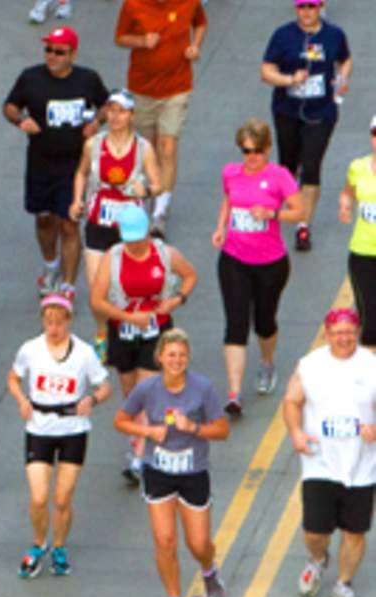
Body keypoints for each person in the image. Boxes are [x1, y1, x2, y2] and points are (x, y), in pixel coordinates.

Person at [114, 328, 229, 597]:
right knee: (165, 540)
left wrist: (193, 428)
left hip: (193, 472)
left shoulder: (202, 388)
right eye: (171, 355)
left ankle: (209, 571)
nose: (176, 360)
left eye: (181, 355)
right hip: (158, 471)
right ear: (160, 357)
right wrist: (148, 432)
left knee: (199, 542)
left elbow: (222, 429)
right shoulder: (147, 389)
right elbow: (121, 420)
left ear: (188, 358)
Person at [7, 292, 111, 580]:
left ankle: (60, 547)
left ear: (69, 321)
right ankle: (39, 543)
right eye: (48, 322)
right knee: (39, 496)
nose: (53, 329)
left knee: (62, 499)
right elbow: (14, 377)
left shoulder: (84, 353)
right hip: (39, 427)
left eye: (58, 322)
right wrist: (21, 400)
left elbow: (104, 386)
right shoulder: (31, 349)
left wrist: (92, 400)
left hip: (73, 430)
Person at [90, 204, 197, 482]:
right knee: (131, 394)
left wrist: (177, 300)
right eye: (130, 240)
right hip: (123, 333)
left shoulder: (164, 254)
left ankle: (139, 457)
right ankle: (144, 435)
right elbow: (97, 300)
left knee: (145, 389)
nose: (136, 245)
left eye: (140, 239)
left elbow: (190, 276)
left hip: (156, 333)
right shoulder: (112, 259)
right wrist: (127, 316)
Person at [282, 307, 376, 597]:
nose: (344, 337)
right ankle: (319, 559)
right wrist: (296, 432)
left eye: (349, 332)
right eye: (338, 332)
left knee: (355, 531)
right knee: (315, 531)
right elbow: (292, 401)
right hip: (319, 460)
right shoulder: (310, 366)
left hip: (362, 464)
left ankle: (343, 584)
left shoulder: (371, 365)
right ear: (327, 334)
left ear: (357, 333)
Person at [3, 27, 109, 296]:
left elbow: (107, 104)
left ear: (72, 54)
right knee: (43, 220)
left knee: (69, 223)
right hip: (40, 162)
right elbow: (10, 105)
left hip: (74, 165)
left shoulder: (87, 79)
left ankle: (69, 284)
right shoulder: (31, 77)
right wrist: (20, 120)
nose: (52, 56)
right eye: (48, 49)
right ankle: (51, 265)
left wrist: (97, 121)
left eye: (59, 52)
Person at [212, 118, 303, 415]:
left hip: (271, 263)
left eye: (256, 151)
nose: (251, 157)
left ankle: (266, 363)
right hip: (234, 259)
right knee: (236, 324)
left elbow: (300, 210)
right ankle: (234, 392)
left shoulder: (279, 176)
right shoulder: (231, 173)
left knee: (264, 322)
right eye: (246, 150)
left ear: (267, 149)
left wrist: (271, 213)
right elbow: (228, 200)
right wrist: (221, 228)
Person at [70, 89, 160, 358]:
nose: (115, 116)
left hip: (130, 230)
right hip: (99, 223)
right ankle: (101, 332)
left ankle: (129, 331)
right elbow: (82, 172)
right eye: (111, 110)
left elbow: (159, 183)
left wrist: (144, 188)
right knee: (98, 289)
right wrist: (77, 200)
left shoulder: (143, 149)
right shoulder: (93, 145)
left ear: (132, 115)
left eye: (121, 111)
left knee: (128, 286)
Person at [260, 0, 351, 253]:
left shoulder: (334, 35)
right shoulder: (283, 35)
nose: (307, 12)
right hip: (288, 110)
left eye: (312, 6)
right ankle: (287, 199)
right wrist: (289, 79)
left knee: (311, 165)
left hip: (322, 112)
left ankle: (303, 225)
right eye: (302, 7)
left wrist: (342, 79)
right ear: (295, 9)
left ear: (320, 7)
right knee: (289, 165)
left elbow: (345, 59)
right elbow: (266, 71)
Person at [114, 0, 207, 235]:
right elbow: (120, 38)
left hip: (177, 88)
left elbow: (201, 23)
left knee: (168, 147)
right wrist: (141, 41)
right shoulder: (133, 5)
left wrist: (195, 46)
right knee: (149, 149)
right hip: (142, 89)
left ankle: (160, 211)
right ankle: (152, 190)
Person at [339, 118, 376, 348]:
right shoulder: (358, 167)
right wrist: (345, 206)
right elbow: (347, 191)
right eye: (375, 133)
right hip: (362, 252)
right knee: (370, 324)